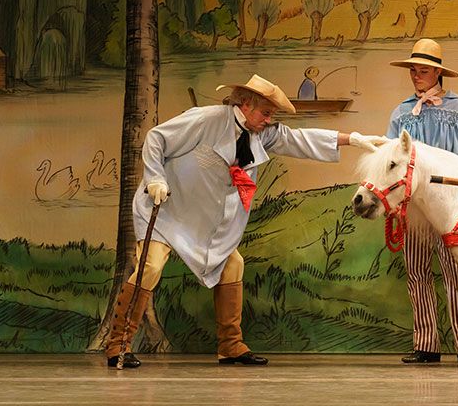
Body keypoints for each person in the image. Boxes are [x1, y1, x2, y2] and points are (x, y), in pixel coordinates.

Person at [103, 73, 380, 369]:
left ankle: (231, 346)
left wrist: (353, 139)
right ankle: (117, 345)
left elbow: (298, 139)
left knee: (233, 264)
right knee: (150, 267)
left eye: (272, 114)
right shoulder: (205, 119)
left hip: (203, 220)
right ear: (246, 105)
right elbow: (157, 138)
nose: (269, 119)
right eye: (265, 112)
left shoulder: (262, 132)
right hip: (167, 209)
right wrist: (155, 179)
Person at [386, 38, 458, 365]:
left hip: (449, 208)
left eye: (423, 70)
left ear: (438, 73)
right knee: (416, 273)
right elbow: (390, 156)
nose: (416, 76)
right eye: (413, 70)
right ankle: (425, 343)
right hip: (413, 209)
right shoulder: (401, 113)